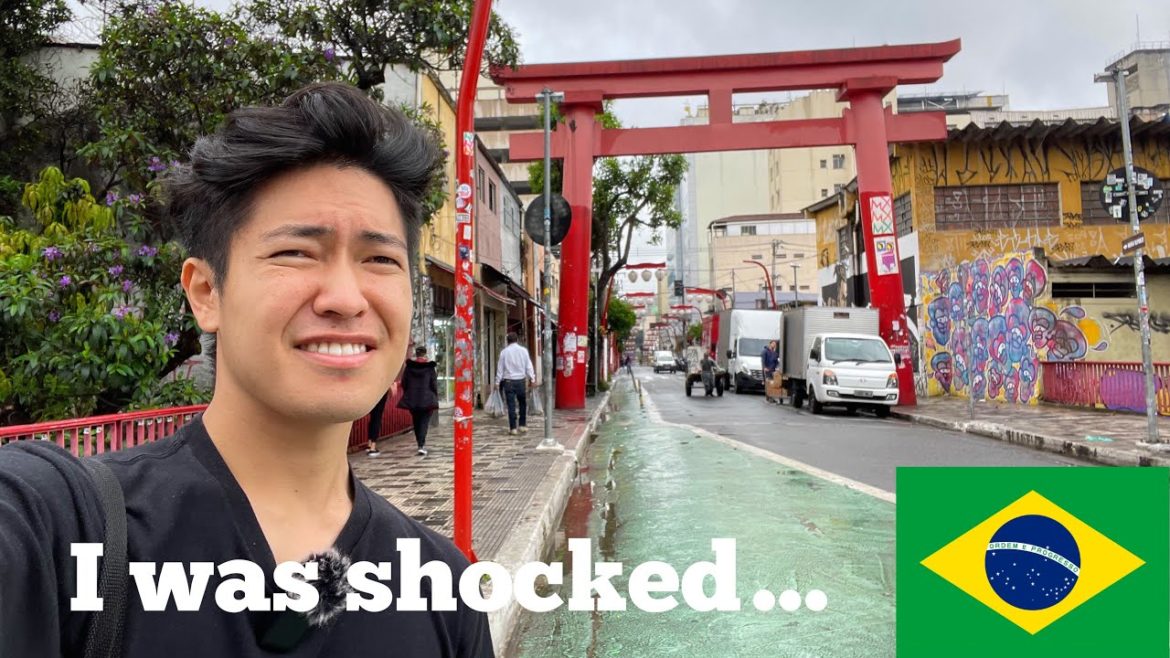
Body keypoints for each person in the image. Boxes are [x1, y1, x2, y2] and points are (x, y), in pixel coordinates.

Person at [0, 83, 492, 656]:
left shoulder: (444, 593)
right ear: (206, 292)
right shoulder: (63, 528)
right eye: (296, 253)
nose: (345, 298)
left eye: (379, 259)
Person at [398, 346, 439, 456]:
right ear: (425, 354)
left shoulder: (409, 367)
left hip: (413, 399)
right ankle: (421, 444)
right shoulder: (430, 368)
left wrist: (410, 392)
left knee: (416, 421)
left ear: (416, 354)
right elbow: (434, 384)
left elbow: (404, 383)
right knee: (424, 422)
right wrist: (435, 395)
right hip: (427, 399)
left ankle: (419, 443)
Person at [495, 332, 535, 435]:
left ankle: (513, 428)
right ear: (517, 340)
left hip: (508, 382)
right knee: (522, 403)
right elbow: (528, 366)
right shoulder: (524, 351)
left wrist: (497, 382)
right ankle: (522, 425)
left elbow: (500, 368)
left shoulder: (504, 352)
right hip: (521, 381)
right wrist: (532, 378)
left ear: (507, 341)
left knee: (511, 405)